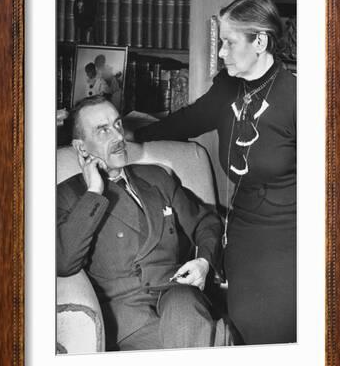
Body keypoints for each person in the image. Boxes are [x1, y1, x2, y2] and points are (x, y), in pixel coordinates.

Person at [131, 0, 297, 345]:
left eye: (229, 42)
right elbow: (184, 122)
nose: (220, 52)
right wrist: (127, 133)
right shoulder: (227, 88)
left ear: (260, 42)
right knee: (244, 335)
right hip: (244, 236)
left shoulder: (301, 96)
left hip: (293, 239)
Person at [57, 95, 228, 351]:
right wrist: (94, 191)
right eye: (103, 130)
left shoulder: (157, 177)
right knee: (210, 344)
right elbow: (64, 261)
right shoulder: (69, 195)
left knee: (187, 312)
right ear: (82, 148)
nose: (117, 137)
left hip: (178, 293)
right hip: (127, 317)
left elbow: (205, 221)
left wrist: (204, 262)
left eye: (117, 125)